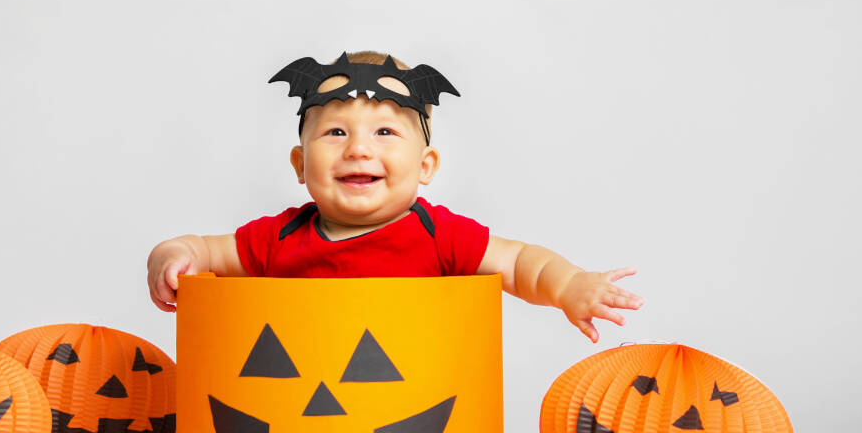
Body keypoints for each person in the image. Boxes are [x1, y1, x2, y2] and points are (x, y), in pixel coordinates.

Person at [146, 51, 642, 342]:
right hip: (300, 397)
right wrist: (172, 256)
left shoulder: (439, 235)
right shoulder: (280, 237)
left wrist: (569, 286)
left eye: (385, 132)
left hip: (408, 393)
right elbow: (206, 251)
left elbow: (520, 265)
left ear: (425, 168)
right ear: (300, 165)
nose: (359, 149)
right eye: (336, 133)